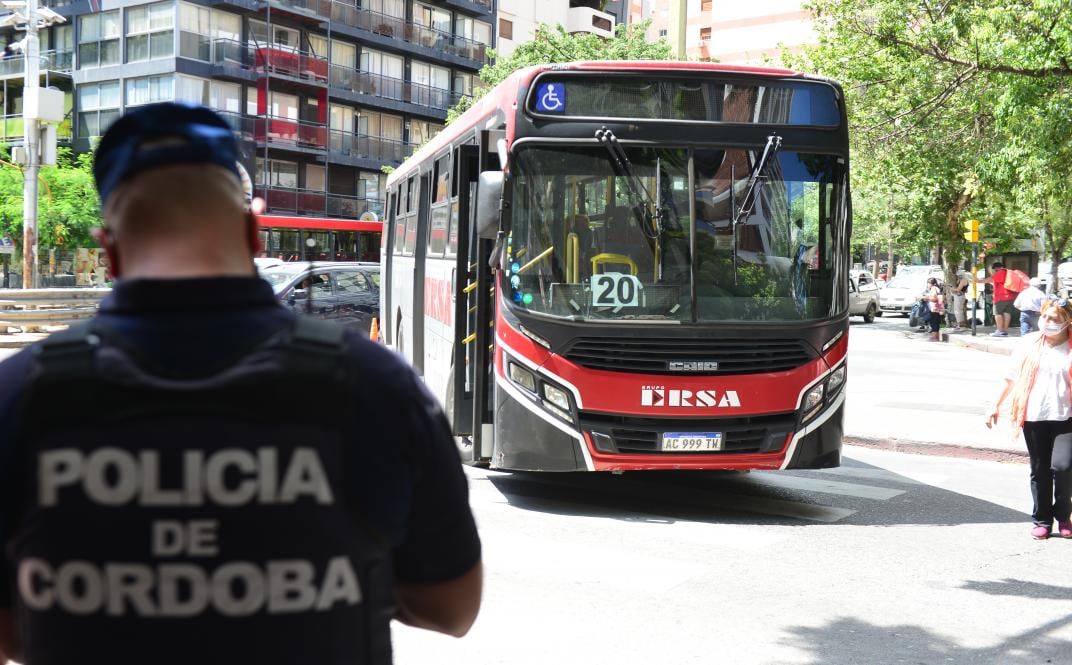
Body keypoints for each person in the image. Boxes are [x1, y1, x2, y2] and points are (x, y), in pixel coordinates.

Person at [0, 103, 482, 665]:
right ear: (254, 230)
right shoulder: (377, 385)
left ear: (109, 250)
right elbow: (454, 607)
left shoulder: (19, 395)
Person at [987, 297, 1072, 540]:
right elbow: (1010, 377)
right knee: (1039, 469)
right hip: (1033, 415)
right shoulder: (1028, 343)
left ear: (1067, 322)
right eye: (1044, 316)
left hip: (1066, 416)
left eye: (1054, 319)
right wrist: (995, 404)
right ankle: (1042, 520)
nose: (1047, 322)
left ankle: (1064, 515)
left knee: (1063, 467)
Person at [981, 261, 1015, 337]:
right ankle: (1005, 331)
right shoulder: (1007, 272)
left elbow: (991, 279)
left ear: (996, 268)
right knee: (1006, 313)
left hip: (1000, 297)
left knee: (997, 313)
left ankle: (999, 330)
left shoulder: (1000, 272)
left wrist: (979, 281)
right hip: (1010, 297)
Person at [923, 277, 943, 341]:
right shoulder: (936, 288)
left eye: (928, 283)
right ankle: (935, 336)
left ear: (931, 284)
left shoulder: (933, 288)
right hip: (937, 308)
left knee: (934, 322)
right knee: (935, 321)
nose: (927, 285)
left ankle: (934, 336)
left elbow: (934, 299)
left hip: (934, 308)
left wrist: (927, 298)